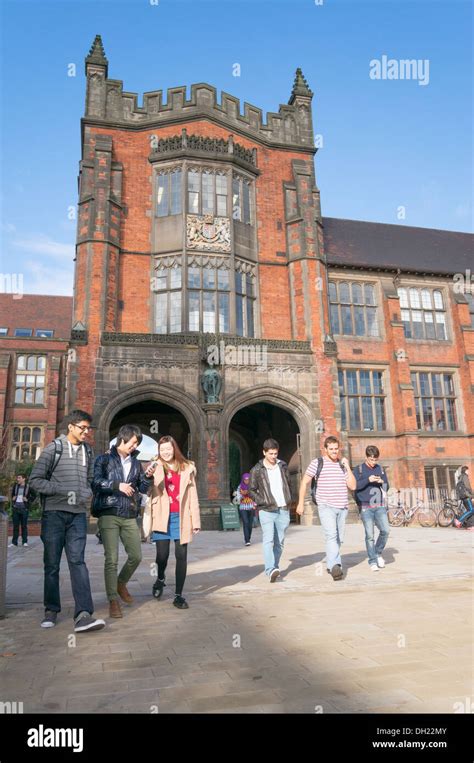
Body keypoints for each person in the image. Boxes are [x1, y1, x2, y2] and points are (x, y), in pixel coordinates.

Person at [29, 410, 106, 632]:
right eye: (83, 427)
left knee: (77, 562)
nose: (86, 432)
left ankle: (83, 614)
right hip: (54, 514)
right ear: (71, 427)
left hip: (77, 516)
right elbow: (35, 480)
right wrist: (62, 490)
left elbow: (91, 479)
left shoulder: (88, 451)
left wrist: (86, 492)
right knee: (52, 565)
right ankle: (51, 609)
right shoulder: (54, 448)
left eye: (88, 428)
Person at [92, 425, 155, 619]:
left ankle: (120, 583)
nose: (135, 445)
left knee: (135, 556)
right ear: (122, 438)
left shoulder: (136, 463)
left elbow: (141, 489)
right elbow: (95, 483)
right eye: (133, 442)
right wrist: (116, 485)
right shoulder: (104, 459)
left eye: (137, 443)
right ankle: (112, 600)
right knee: (111, 559)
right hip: (109, 512)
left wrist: (147, 476)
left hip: (129, 514)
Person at [145, 435, 201, 609]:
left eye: (168, 449)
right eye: (162, 450)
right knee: (162, 556)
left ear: (174, 448)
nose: (166, 452)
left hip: (181, 516)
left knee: (181, 556)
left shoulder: (187, 468)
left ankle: (178, 595)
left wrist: (196, 520)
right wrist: (148, 476)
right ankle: (160, 578)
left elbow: (192, 495)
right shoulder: (155, 465)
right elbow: (146, 487)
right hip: (162, 515)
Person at [296, 436, 356, 581]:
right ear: (325, 449)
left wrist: (347, 466)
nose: (334, 451)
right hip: (326, 506)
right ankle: (336, 566)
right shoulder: (317, 463)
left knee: (338, 539)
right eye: (331, 449)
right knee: (331, 535)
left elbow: (353, 486)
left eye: (336, 449)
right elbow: (304, 482)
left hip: (342, 507)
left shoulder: (342, 465)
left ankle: (330, 565)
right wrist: (300, 503)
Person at [248, 439, 292, 582]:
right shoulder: (256, 469)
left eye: (275, 453)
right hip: (266, 510)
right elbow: (251, 490)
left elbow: (288, 484)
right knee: (268, 540)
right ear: (264, 452)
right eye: (271, 454)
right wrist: (263, 501)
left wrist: (288, 499)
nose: (273, 456)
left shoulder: (283, 466)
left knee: (279, 542)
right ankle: (270, 569)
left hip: (283, 508)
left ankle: (274, 567)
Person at [354, 445, 390, 571]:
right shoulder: (358, 469)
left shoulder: (380, 469)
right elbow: (355, 486)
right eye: (371, 459)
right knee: (370, 535)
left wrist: (382, 483)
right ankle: (372, 561)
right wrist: (368, 480)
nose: (374, 462)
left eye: (376, 460)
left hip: (379, 505)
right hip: (365, 506)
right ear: (366, 457)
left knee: (385, 530)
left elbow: (387, 487)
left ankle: (378, 553)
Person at [9, 473, 33, 547]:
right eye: (17, 478)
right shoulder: (15, 486)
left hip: (24, 509)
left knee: (24, 526)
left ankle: (24, 542)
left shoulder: (28, 487)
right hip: (16, 508)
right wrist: (13, 498)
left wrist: (28, 500)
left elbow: (34, 496)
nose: (18, 479)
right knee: (15, 526)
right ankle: (14, 542)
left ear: (24, 479)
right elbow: (12, 495)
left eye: (19, 478)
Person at [233, 472, 256, 545]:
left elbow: (256, 496)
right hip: (243, 508)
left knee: (250, 524)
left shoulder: (253, 486)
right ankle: (247, 540)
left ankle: (248, 537)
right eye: (245, 480)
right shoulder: (240, 487)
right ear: (243, 480)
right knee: (245, 523)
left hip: (251, 507)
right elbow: (238, 497)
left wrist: (255, 503)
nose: (247, 481)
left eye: (248, 479)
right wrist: (243, 495)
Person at [454, 466, 474, 530]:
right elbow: (468, 487)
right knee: (471, 510)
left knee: (470, 510)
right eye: (467, 470)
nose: (468, 472)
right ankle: (459, 520)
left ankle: (470, 525)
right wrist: (472, 495)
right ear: (465, 471)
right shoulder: (465, 477)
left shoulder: (460, 477)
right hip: (467, 496)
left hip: (463, 496)